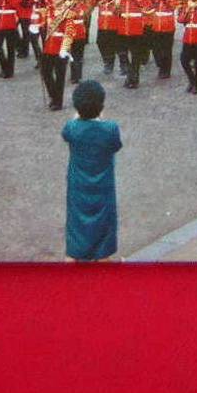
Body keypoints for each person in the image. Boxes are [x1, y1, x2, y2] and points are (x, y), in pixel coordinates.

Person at [62, 80, 123, 262]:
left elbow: (67, 132)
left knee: (76, 225)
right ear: (101, 105)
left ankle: (74, 260)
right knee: (103, 227)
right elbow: (115, 145)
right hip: (103, 185)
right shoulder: (110, 129)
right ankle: (102, 261)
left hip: (78, 185)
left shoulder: (72, 128)